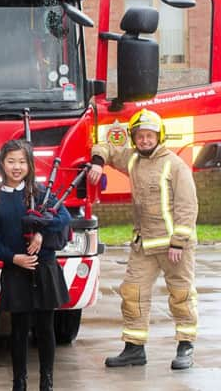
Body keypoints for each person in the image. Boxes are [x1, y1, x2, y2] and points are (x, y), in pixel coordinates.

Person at [88, 109, 198, 370]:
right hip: (143, 245)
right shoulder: (133, 159)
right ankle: (134, 349)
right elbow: (106, 147)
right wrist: (96, 161)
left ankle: (186, 346)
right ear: (134, 137)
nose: (145, 140)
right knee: (133, 293)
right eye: (140, 136)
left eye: (150, 135)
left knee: (180, 295)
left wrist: (179, 242)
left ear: (159, 136)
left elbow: (187, 205)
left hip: (174, 247)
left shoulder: (175, 164)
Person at [0, 139, 70, 391]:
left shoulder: (41, 194)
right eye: (11, 161)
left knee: (45, 328)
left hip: (43, 269)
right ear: (2, 164)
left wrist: (41, 230)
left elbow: (63, 219)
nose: (16, 167)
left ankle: (47, 381)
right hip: (15, 271)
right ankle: (19, 382)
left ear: (30, 165)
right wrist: (14, 258)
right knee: (19, 330)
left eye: (22, 161)